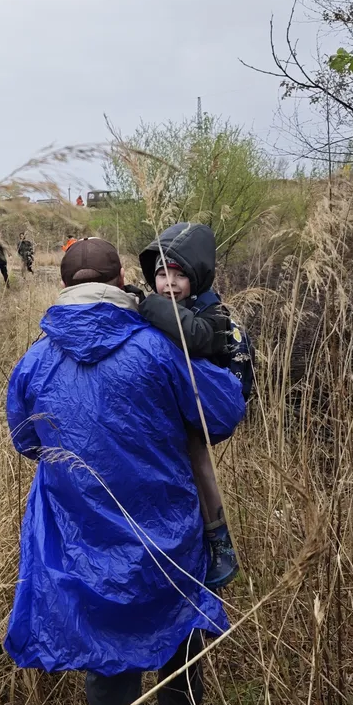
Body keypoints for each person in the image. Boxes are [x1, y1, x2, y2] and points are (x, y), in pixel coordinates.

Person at [4, 236, 245, 705]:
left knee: (108, 660)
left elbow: (26, 442)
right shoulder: (159, 349)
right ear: (120, 281)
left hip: (81, 539)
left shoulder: (34, 362)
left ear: (63, 286)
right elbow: (221, 416)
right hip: (166, 527)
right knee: (174, 619)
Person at [136, 223, 254, 589]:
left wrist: (147, 304)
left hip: (206, 408)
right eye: (161, 275)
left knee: (197, 460)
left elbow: (195, 336)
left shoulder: (212, 314)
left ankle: (219, 540)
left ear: (197, 278)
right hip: (174, 401)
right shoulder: (166, 307)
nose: (169, 284)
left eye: (179, 275)